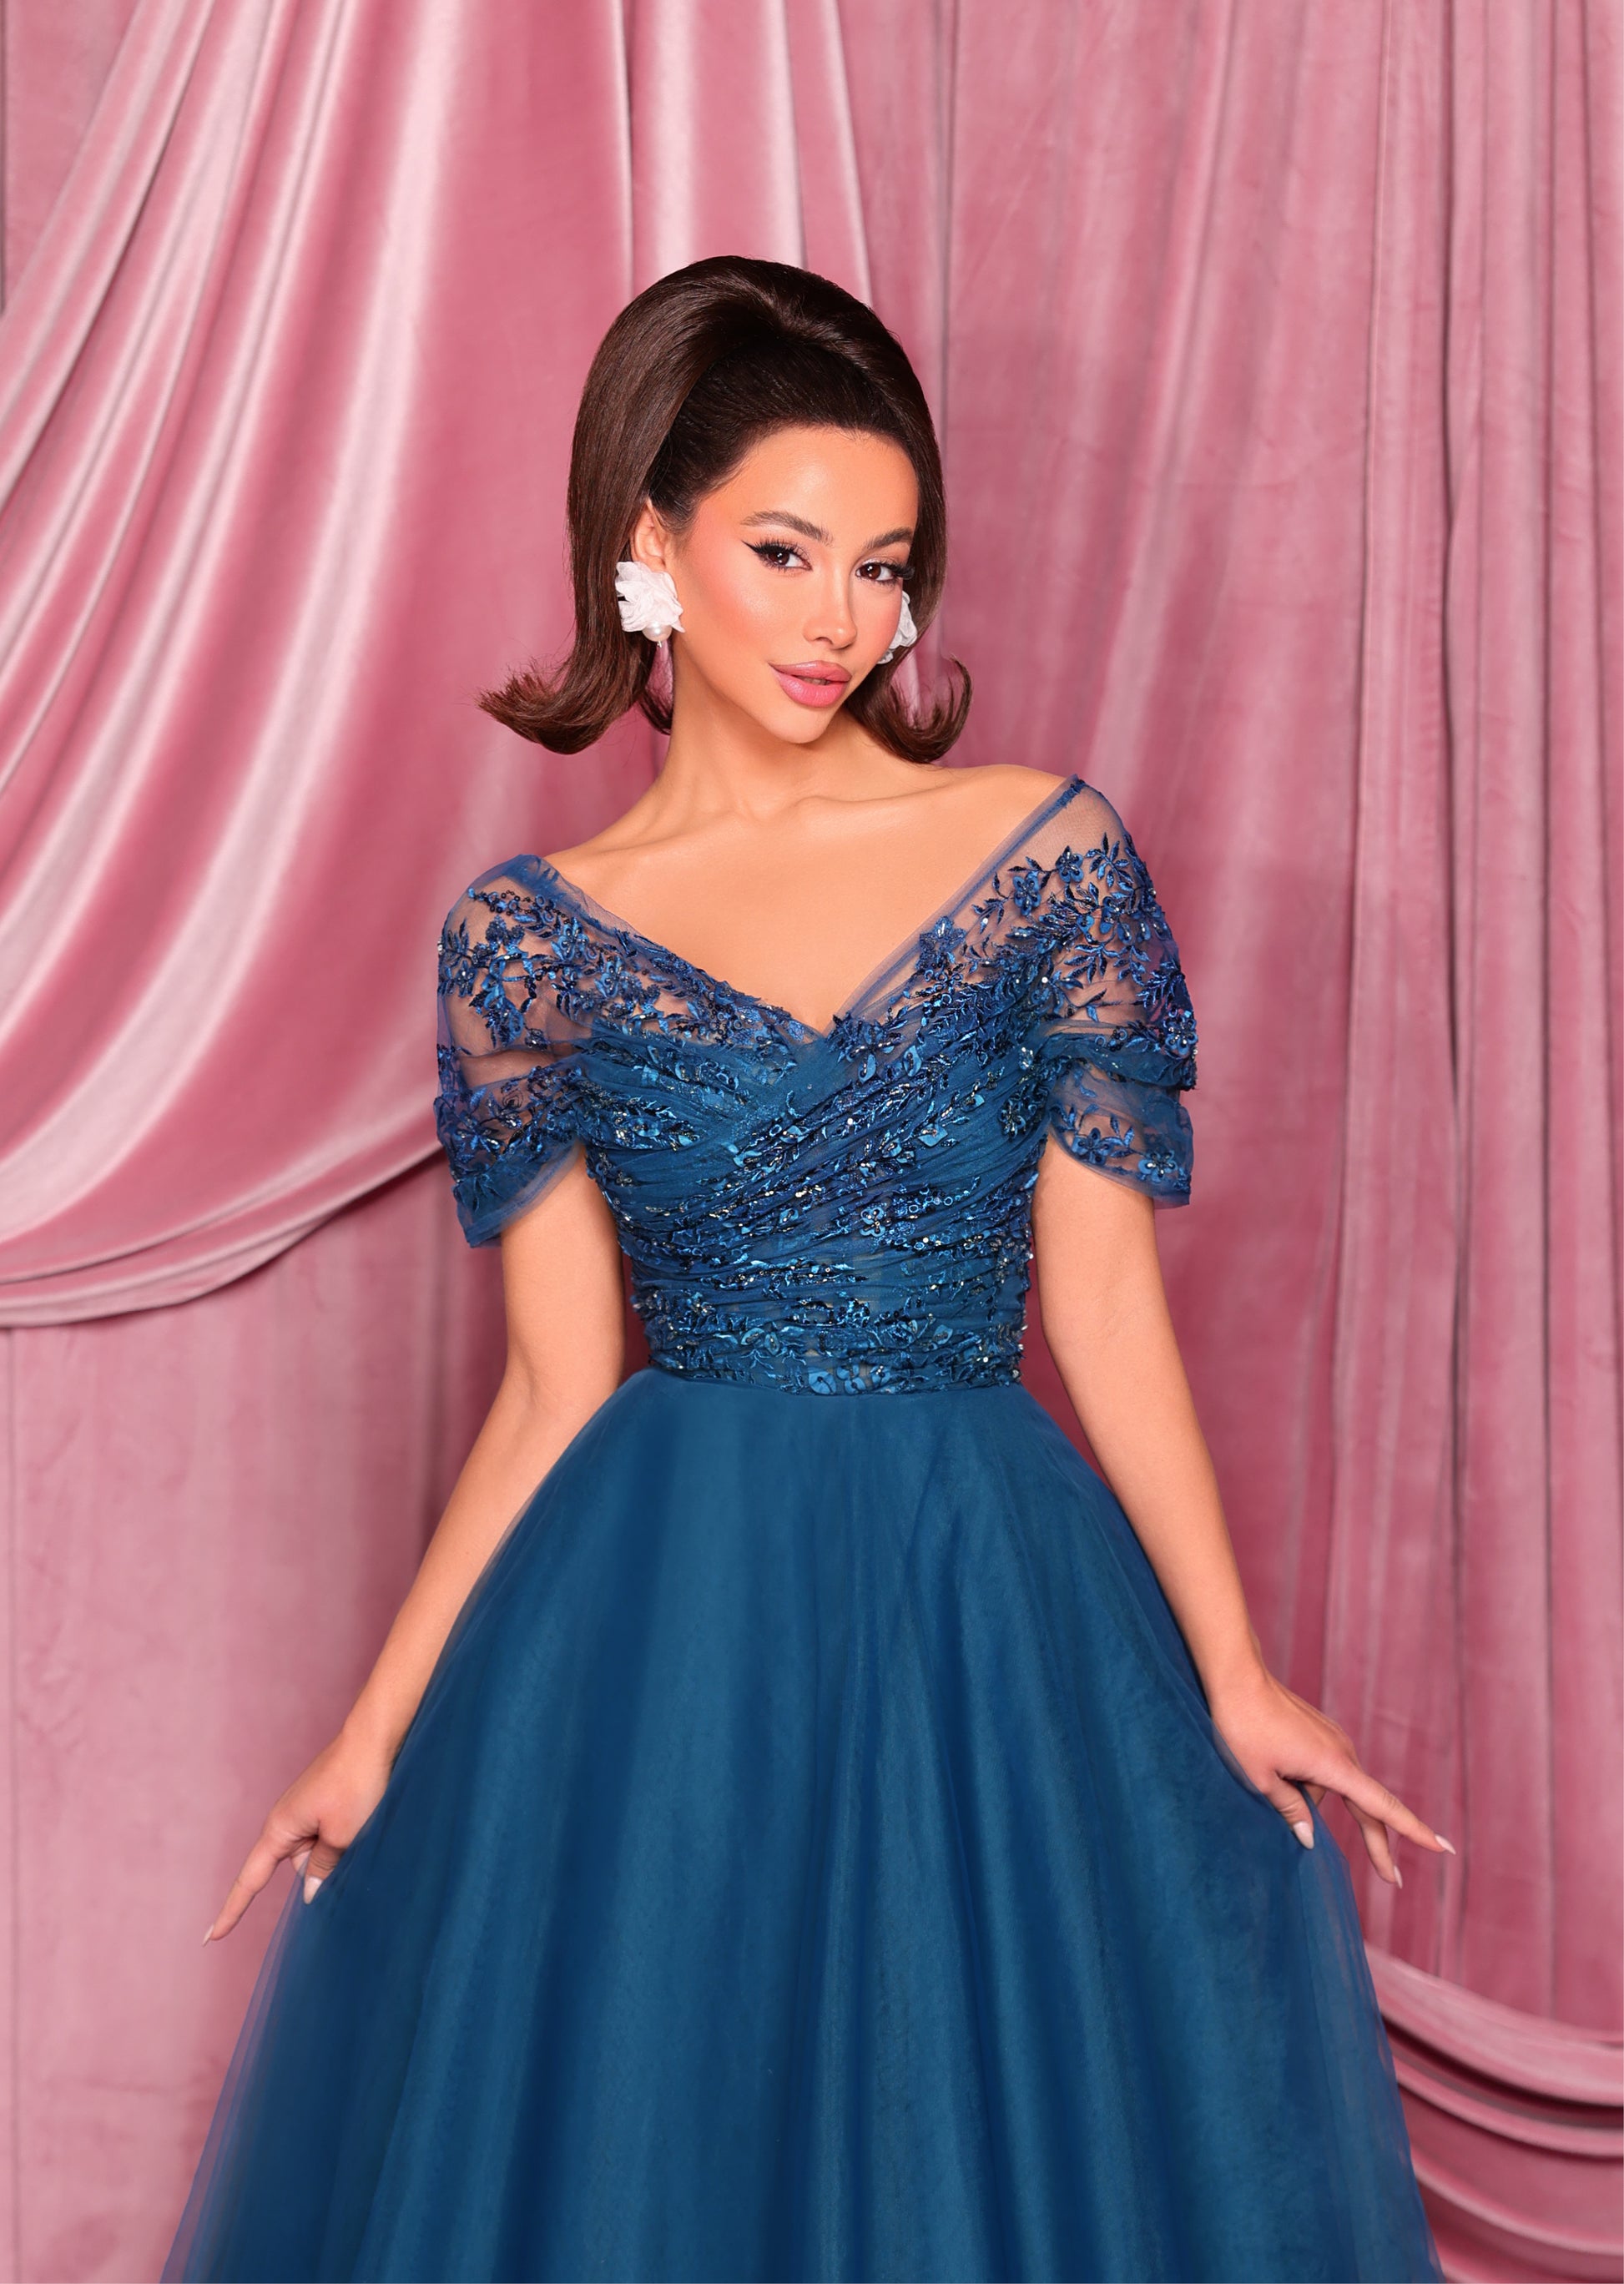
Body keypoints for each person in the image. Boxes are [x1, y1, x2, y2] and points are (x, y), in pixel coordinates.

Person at [166, 255, 1448, 2283]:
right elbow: (553, 1384)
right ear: (649, 542)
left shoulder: (1041, 860)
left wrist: (1228, 1668)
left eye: (884, 567)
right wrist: (373, 1730)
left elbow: (1104, 1303)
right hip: (665, 1629)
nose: (843, 620)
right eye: (785, 552)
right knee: (668, 2134)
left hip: (977, 1599)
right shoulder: (533, 942)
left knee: (972, 2134)